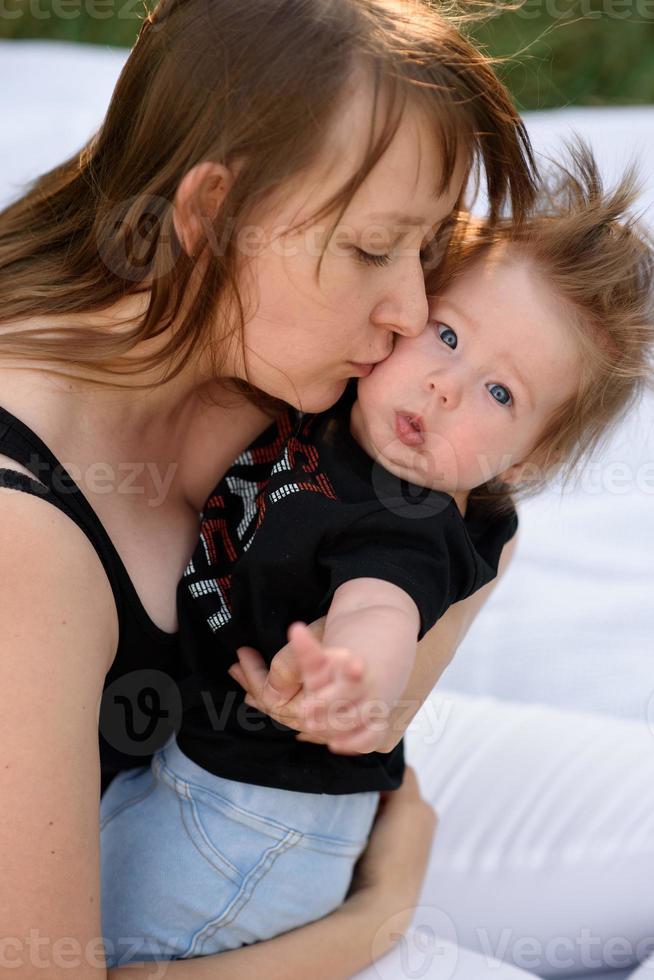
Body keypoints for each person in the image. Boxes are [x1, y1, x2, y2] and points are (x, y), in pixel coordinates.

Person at [0, 0, 544, 977]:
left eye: (426, 247)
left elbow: (468, 555)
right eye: (375, 247)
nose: (413, 310)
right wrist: (374, 919)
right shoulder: (23, 534)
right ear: (211, 214)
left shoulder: (264, 367)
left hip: (277, 810)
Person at [98, 143, 654, 968]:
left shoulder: (409, 518)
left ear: (525, 462)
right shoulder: (332, 405)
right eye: (448, 334)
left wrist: (352, 674)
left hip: (252, 826)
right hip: (204, 783)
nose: (446, 386)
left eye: (501, 395)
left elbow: (383, 603)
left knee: (141, 944)